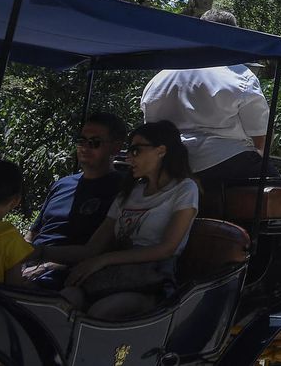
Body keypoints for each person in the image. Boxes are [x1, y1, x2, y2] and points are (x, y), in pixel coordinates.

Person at [34, 120, 198, 320]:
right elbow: (93, 248)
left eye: (136, 150)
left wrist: (104, 260)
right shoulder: (129, 193)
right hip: (113, 275)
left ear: (161, 151)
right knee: (65, 300)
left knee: (101, 312)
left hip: (151, 278)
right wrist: (40, 253)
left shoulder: (184, 189)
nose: (129, 158)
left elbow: (167, 248)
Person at [140, 9, 272, 212]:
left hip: (168, 165)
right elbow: (260, 140)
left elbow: (149, 129)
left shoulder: (160, 78)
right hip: (226, 162)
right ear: (233, 36)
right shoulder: (239, 74)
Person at [30, 112, 129, 250]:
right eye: (81, 140)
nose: (84, 147)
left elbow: (105, 247)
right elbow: (32, 233)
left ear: (116, 147)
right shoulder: (62, 185)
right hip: (30, 263)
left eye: (95, 142)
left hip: (74, 266)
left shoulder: (125, 189)